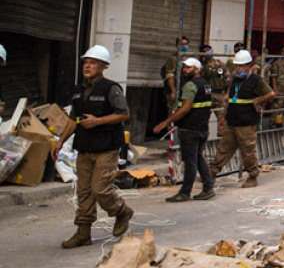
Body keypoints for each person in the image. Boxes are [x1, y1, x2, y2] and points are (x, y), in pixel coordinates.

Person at [53, 45, 134, 248]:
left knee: (100, 189)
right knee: (84, 192)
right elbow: (73, 119)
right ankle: (83, 232)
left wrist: (98, 121)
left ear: (103, 66)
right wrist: (60, 142)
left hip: (106, 147)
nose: (87, 66)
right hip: (85, 146)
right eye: (86, 63)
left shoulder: (111, 88)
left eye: (93, 63)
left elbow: (124, 114)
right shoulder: (78, 91)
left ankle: (122, 211)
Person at [209, 49, 274, 188]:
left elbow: (270, 93)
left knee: (248, 150)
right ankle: (211, 173)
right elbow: (230, 99)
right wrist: (223, 117)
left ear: (248, 65)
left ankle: (252, 176)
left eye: (240, 66)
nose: (238, 68)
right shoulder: (235, 80)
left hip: (246, 122)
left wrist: (257, 101)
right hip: (232, 120)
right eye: (236, 66)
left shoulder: (256, 80)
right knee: (223, 148)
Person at [153, 57, 215, 202]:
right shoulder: (205, 84)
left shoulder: (191, 85)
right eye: (184, 68)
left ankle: (185, 192)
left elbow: (186, 108)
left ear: (197, 69)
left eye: (188, 68)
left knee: (190, 161)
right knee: (198, 158)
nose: (185, 70)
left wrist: (166, 121)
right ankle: (208, 188)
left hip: (190, 128)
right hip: (202, 127)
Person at [263, 44, 284, 127]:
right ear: (282, 52)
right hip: (280, 89)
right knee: (277, 109)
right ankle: (273, 126)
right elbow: (273, 77)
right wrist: (275, 89)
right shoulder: (277, 63)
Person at [162, 36, 192, 115]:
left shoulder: (189, 59)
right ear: (176, 46)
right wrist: (173, 91)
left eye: (186, 44)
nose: (184, 46)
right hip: (176, 88)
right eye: (181, 44)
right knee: (174, 112)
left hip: (185, 90)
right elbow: (170, 75)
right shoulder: (173, 58)